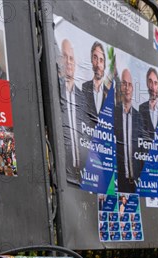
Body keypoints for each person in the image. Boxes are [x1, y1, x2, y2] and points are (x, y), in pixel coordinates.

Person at [114, 68, 145, 193]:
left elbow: (143, 150)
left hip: (137, 183)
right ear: (121, 87)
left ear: (133, 89)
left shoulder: (139, 118)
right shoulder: (114, 113)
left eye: (130, 85)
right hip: (119, 183)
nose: (127, 88)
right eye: (124, 84)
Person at [59, 38, 84, 182]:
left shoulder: (83, 99)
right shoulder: (55, 92)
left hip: (84, 175)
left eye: (71, 58)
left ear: (75, 63)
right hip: (63, 176)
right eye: (64, 56)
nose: (68, 61)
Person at [82, 41, 109, 126]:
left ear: (104, 64)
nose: (98, 64)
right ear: (91, 60)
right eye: (95, 58)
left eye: (101, 60)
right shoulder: (84, 88)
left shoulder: (109, 94)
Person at [139, 67, 158, 140]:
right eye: (150, 82)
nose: (153, 87)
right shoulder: (142, 108)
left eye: (155, 83)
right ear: (147, 84)